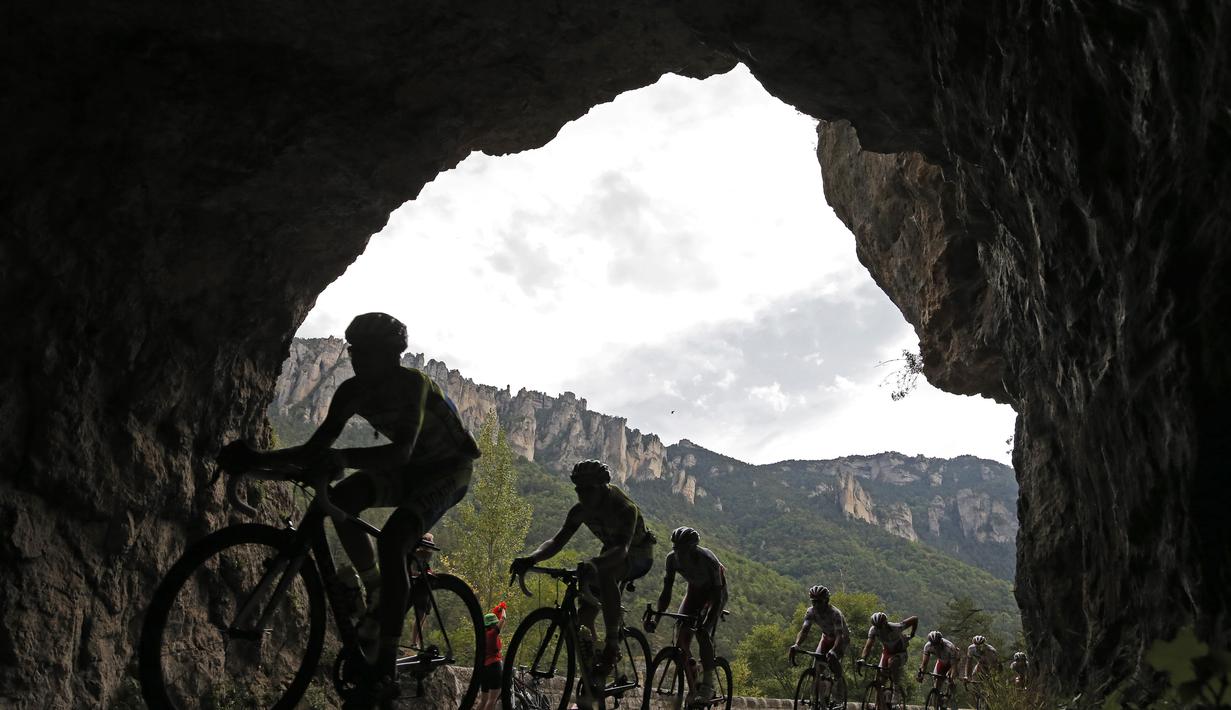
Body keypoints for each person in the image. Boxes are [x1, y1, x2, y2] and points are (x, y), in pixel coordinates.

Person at [218, 312, 481, 706]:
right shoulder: (351, 391)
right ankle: (376, 589)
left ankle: (386, 663)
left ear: (391, 355)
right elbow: (315, 448)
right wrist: (256, 458)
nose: (357, 358)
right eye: (353, 349)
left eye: (367, 351)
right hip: (411, 470)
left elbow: (399, 451)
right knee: (341, 499)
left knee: (393, 539)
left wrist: (341, 458)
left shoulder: (412, 384)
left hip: (449, 470)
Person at [510, 460, 656, 677]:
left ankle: (612, 643)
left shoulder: (624, 508)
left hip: (638, 555)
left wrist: (594, 564)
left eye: (589, 490)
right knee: (584, 616)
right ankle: (595, 665)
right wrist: (531, 559)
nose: (583, 495)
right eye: (579, 490)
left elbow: (621, 550)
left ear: (603, 487)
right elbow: (557, 541)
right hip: (611, 551)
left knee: (605, 572)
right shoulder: (580, 510)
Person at [645, 526, 728, 704]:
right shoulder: (671, 559)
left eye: (683, 550)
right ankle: (693, 683)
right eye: (676, 549)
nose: (679, 554)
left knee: (702, 634)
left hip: (715, 594)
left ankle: (707, 685)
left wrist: (706, 624)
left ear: (692, 548)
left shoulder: (708, 559)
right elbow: (666, 592)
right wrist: (656, 619)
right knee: (681, 635)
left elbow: (717, 597)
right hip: (694, 592)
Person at [789, 585, 850, 703]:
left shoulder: (835, 613)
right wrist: (797, 645)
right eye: (814, 602)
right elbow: (804, 630)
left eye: (819, 602)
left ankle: (838, 684)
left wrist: (833, 651)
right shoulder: (811, 611)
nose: (816, 605)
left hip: (841, 638)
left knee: (832, 659)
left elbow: (839, 635)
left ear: (826, 601)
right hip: (826, 637)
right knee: (818, 663)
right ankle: (818, 698)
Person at [857, 611, 918, 694]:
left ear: (885, 624)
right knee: (880, 681)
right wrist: (863, 659)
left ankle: (896, 689)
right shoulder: (874, 630)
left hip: (900, 652)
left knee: (892, 662)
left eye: (880, 627)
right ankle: (881, 700)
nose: (879, 629)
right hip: (887, 652)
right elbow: (868, 646)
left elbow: (915, 619)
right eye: (877, 627)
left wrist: (912, 634)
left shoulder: (895, 627)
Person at [477, 602, 509, 710]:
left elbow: (495, 618)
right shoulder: (493, 634)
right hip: (494, 667)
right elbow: (503, 619)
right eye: (494, 623)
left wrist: (497, 610)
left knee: (483, 701)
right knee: (492, 700)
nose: (496, 624)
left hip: (484, 669)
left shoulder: (482, 635)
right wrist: (503, 608)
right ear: (492, 625)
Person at [916, 630, 960, 702]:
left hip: (952, 662)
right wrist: (921, 675)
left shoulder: (949, 647)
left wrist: (951, 677)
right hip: (941, 661)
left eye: (937, 644)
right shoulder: (928, 646)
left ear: (941, 641)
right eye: (933, 644)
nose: (936, 646)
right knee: (937, 679)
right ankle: (937, 701)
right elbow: (924, 663)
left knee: (950, 678)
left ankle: (952, 695)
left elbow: (953, 666)